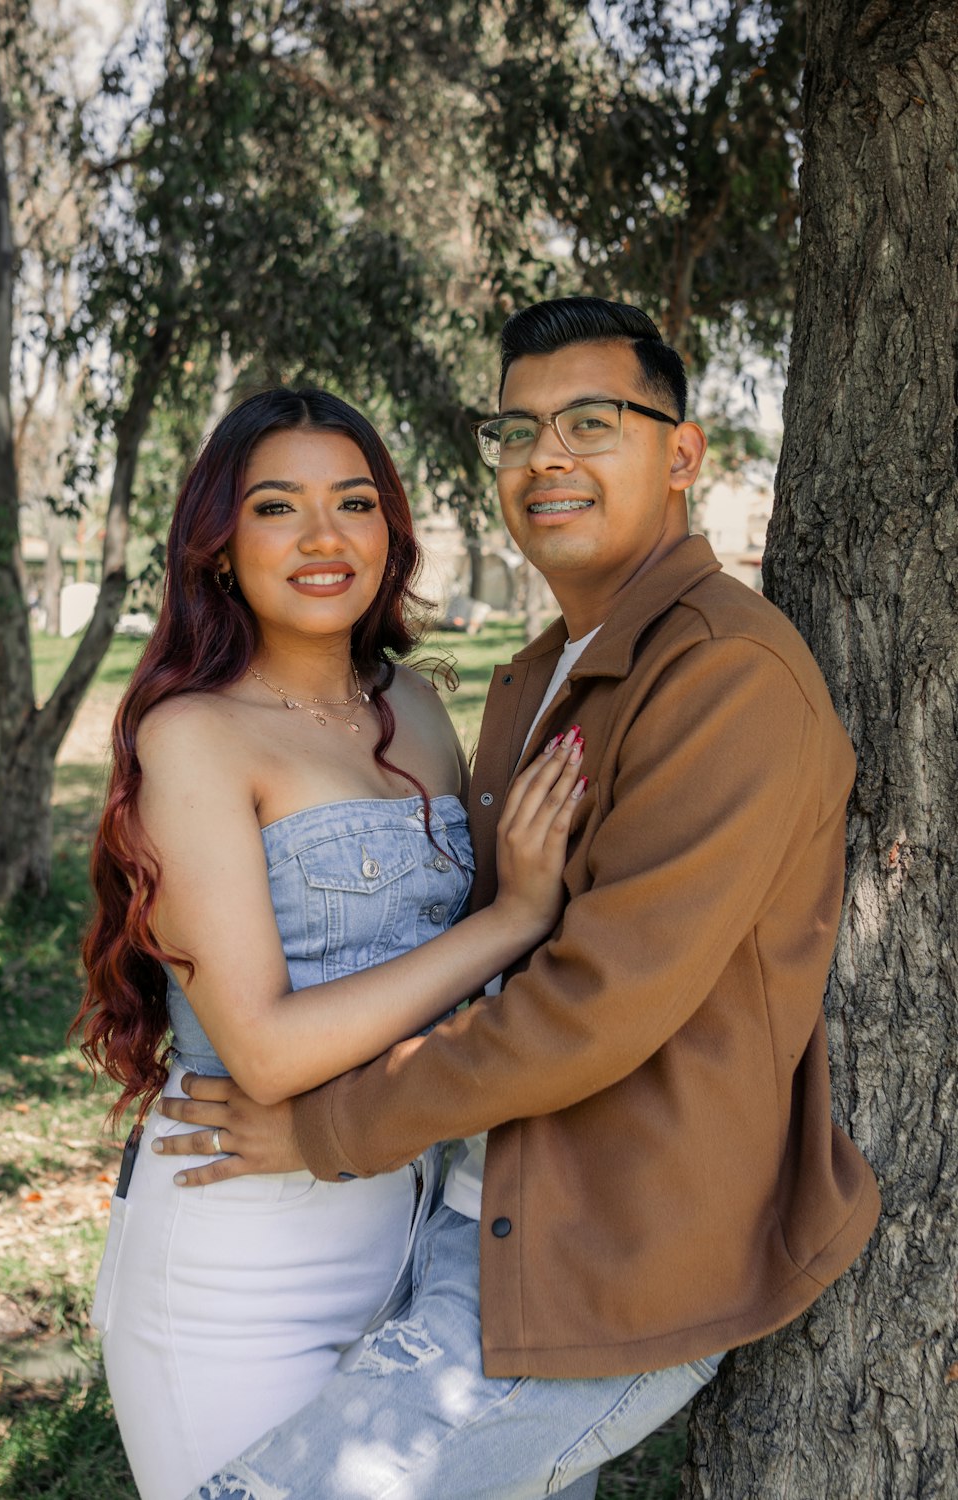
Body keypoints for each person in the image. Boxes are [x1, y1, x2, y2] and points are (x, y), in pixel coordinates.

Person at [157, 298, 882, 1500]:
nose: (546, 456)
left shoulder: (725, 677)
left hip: (602, 1257)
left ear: (682, 456)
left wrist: (324, 1133)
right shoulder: (538, 674)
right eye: (517, 429)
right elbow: (490, 952)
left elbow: (593, 1005)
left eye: (592, 423)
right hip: (478, 1226)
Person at [72, 386, 588, 1500]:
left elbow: (463, 996)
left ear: (390, 533)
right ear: (217, 547)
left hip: (418, 1232)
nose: (322, 537)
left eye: (353, 502)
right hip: (236, 1263)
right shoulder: (194, 735)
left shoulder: (413, 705)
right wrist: (512, 917)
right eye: (275, 508)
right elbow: (261, 1052)